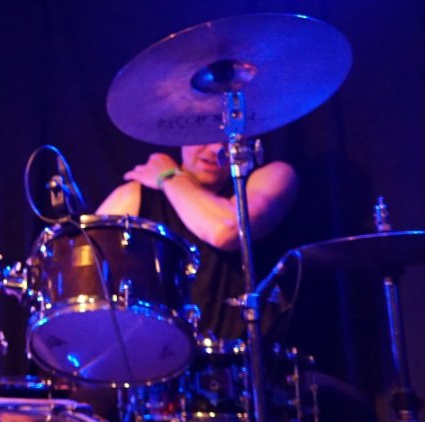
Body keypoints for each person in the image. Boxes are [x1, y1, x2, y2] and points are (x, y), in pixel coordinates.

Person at [95, 141, 299, 337]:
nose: (216, 149)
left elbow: (226, 230)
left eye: (225, 138)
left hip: (255, 355)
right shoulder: (135, 197)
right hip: (162, 356)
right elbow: (88, 281)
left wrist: (170, 177)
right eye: (206, 135)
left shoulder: (273, 176)